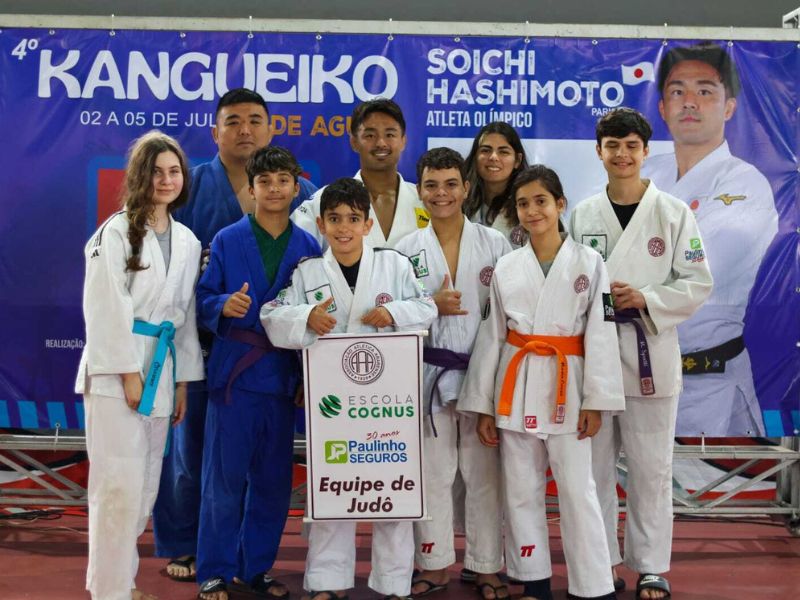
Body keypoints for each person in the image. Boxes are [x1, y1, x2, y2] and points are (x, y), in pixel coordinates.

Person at [154, 87, 318, 582]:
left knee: (266, 472)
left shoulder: (307, 201)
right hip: (205, 342)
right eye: (233, 121)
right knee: (192, 454)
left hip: (276, 362)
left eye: (254, 120)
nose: (244, 129)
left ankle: (253, 565)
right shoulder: (191, 186)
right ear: (215, 131)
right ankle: (187, 545)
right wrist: (216, 307)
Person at [262, 177, 438, 600]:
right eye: (335, 219)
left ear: (367, 223)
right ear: (320, 224)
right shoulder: (308, 272)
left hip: (388, 404)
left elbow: (426, 307)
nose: (344, 228)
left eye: (353, 219)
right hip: (335, 405)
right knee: (333, 485)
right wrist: (305, 317)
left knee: (390, 486)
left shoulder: (394, 264)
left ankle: (393, 580)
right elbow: (272, 315)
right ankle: (328, 579)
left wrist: (393, 312)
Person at [459, 165, 623, 600]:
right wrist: (483, 405)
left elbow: (602, 334)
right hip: (515, 388)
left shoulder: (590, 263)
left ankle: (593, 583)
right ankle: (534, 579)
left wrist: (597, 401)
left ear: (560, 204)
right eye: (523, 203)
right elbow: (493, 336)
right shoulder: (508, 267)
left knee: (578, 490)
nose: (533, 211)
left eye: (541, 201)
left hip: (570, 389)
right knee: (521, 491)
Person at [569, 108, 713, 599]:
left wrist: (647, 299)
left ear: (646, 151)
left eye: (631, 145)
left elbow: (698, 282)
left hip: (649, 346)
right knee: (595, 466)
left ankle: (651, 565)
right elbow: (570, 282)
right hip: (594, 354)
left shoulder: (673, 212)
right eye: (613, 145)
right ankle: (602, 560)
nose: (622, 154)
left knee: (651, 467)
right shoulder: (583, 214)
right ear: (599, 151)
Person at [75, 131, 204, 600]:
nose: (166, 179)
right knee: (116, 486)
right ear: (139, 176)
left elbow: (184, 316)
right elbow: (104, 305)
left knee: (145, 483)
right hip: (118, 376)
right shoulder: (115, 230)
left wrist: (185, 379)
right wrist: (127, 370)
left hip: (163, 371)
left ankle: (122, 583)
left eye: (174, 171)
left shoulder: (187, 240)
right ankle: (107, 591)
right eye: (156, 171)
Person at [193, 146, 321, 600]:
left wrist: (309, 378)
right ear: (251, 189)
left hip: (282, 375)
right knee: (224, 479)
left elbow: (316, 314)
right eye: (264, 182)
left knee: (272, 481)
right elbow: (203, 298)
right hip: (235, 375)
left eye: (282, 181)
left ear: (295, 186)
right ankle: (214, 569)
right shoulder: (227, 239)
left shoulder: (309, 246)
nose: (273, 189)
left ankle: (256, 567)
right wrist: (221, 305)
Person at [642, 43, 778, 436]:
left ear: (729, 107)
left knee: (718, 495)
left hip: (710, 381)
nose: (689, 102)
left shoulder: (746, 184)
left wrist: (634, 259)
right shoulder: (647, 172)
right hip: (641, 376)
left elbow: (699, 269)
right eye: (677, 91)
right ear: (663, 108)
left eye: (705, 91)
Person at [394, 148, 511, 599]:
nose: (440, 194)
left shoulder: (495, 244)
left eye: (449, 184)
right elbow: (392, 314)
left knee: (483, 475)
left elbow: (505, 317)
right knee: (434, 474)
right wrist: (428, 307)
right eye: (431, 185)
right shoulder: (404, 250)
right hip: (426, 373)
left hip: (481, 371)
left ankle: (485, 565)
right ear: (419, 191)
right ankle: (434, 561)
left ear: (465, 188)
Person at [292, 98, 428, 248]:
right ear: (354, 142)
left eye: (390, 135)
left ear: (403, 141)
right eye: (370, 135)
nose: (381, 143)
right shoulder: (324, 200)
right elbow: (292, 251)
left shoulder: (426, 200)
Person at [463, 121, 530, 248]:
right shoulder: (459, 202)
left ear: (517, 160)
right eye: (486, 150)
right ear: (475, 157)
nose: (493, 157)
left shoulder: (533, 204)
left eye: (503, 152)